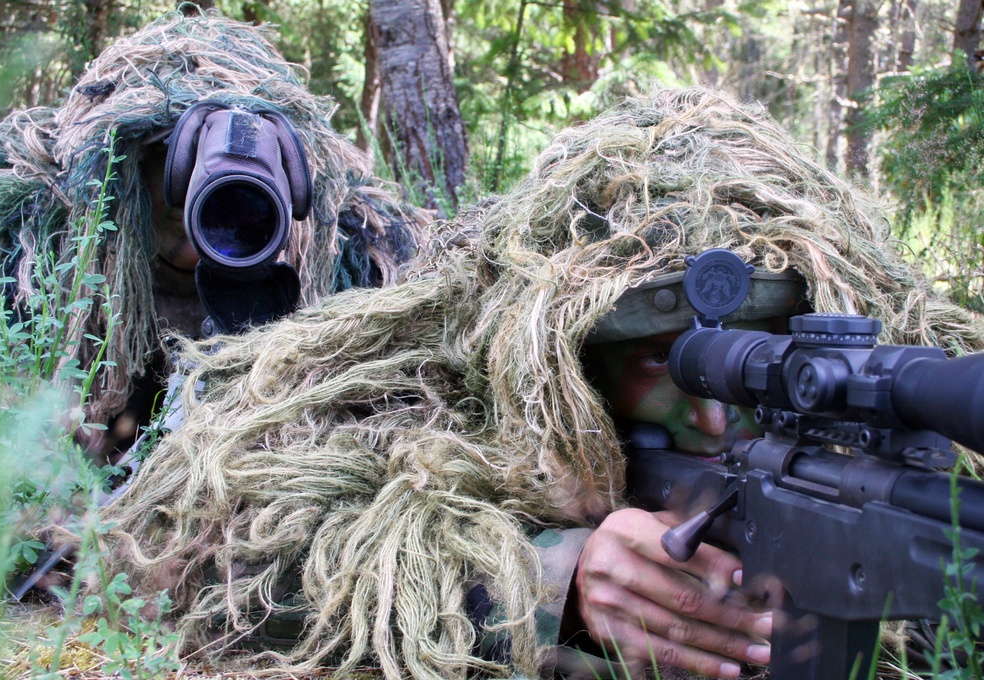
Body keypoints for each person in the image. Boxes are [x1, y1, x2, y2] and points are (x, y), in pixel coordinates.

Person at [96, 87, 984, 679]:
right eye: (662, 361)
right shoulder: (454, 379)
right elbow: (232, 542)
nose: (718, 409)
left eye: (768, 364)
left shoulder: (896, 414)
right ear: (568, 362)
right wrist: (552, 579)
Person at [0, 8, 428, 460]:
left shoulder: (348, 256)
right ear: (121, 174)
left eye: (245, 181)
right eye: (173, 158)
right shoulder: (48, 258)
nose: (196, 191)